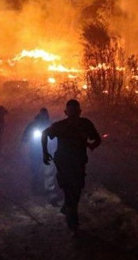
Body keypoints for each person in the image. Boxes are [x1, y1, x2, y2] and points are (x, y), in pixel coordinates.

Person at [42, 99, 101, 230]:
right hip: (64, 163)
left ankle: (69, 209)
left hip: (78, 162)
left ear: (80, 112)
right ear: (66, 112)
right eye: (71, 112)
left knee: (77, 189)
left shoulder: (85, 124)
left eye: (75, 112)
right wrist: (45, 153)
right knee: (70, 189)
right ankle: (72, 221)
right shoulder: (61, 125)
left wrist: (92, 145)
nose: (73, 115)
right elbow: (44, 133)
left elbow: (97, 139)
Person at [22, 108, 61, 204]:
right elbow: (25, 135)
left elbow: (57, 136)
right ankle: (35, 187)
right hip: (36, 151)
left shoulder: (51, 124)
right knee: (35, 169)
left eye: (45, 114)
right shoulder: (33, 124)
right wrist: (26, 138)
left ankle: (50, 191)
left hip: (48, 151)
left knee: (49, 171)